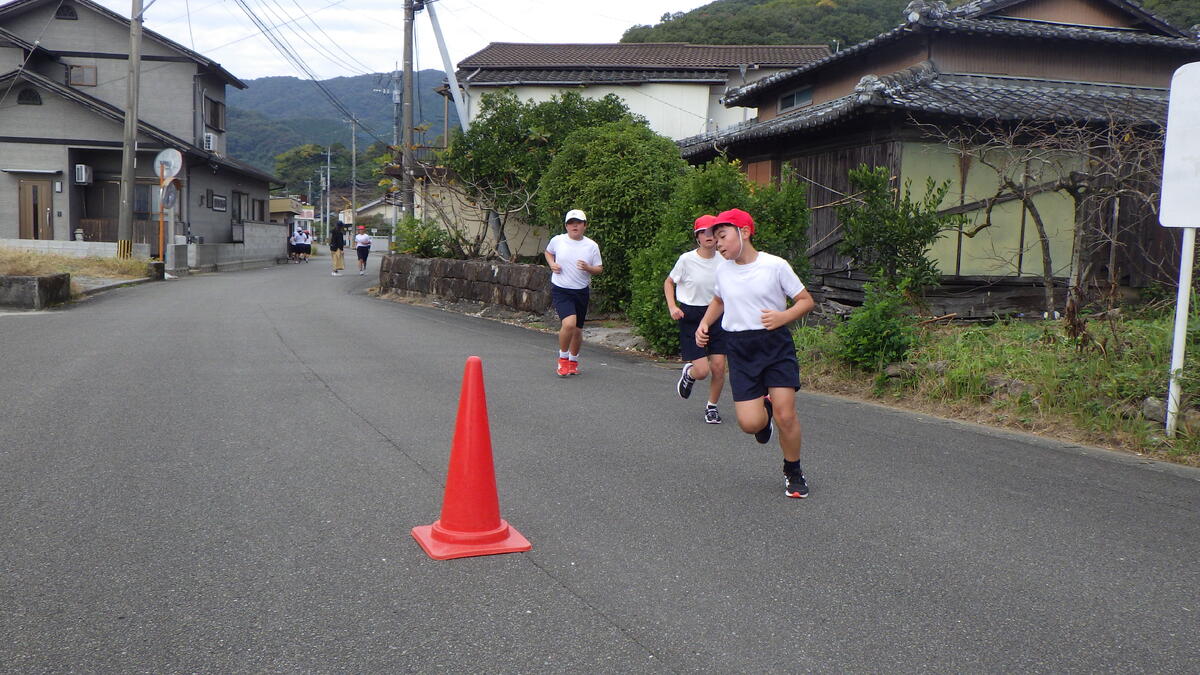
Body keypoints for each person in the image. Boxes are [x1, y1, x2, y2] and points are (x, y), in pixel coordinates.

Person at [696, 208, 816, 499]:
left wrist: (783, 317)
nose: (718, 243)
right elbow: (718, 300)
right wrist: (704, 323)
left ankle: (793, 471)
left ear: (745, 232)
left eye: (722, 236)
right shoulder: (722, 270)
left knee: (786, 415)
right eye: (714, 238)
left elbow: (805, 300)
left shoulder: (775, 266)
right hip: (740, 348)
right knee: (750, 424)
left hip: (774, 344)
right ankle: (764, 410)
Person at [665, 214, 727, 424]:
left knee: (718, 366)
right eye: (703, 232)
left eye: (712, 232)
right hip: (691, 316)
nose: (708, 236)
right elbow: (669, 282)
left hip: (717, 316)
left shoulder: (725, 259)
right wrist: (673, 306)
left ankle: (712, 407)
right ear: (697, 237)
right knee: (703, 371)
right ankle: (690, 374)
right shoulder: (686, 259)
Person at [544, 208, 603, 377]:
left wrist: (588, 267)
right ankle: (562, 360)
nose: (574, 226)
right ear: (566, 226)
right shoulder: (558, 240)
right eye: (571, 223)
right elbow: (548, 252)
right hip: (561, 288)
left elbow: (599, 268)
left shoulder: (591, 246)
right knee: (568, 324)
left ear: (585, 225)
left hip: (581, 290)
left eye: (578, 223)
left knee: (577, 330)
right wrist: (551, 264)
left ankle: (573, 361)